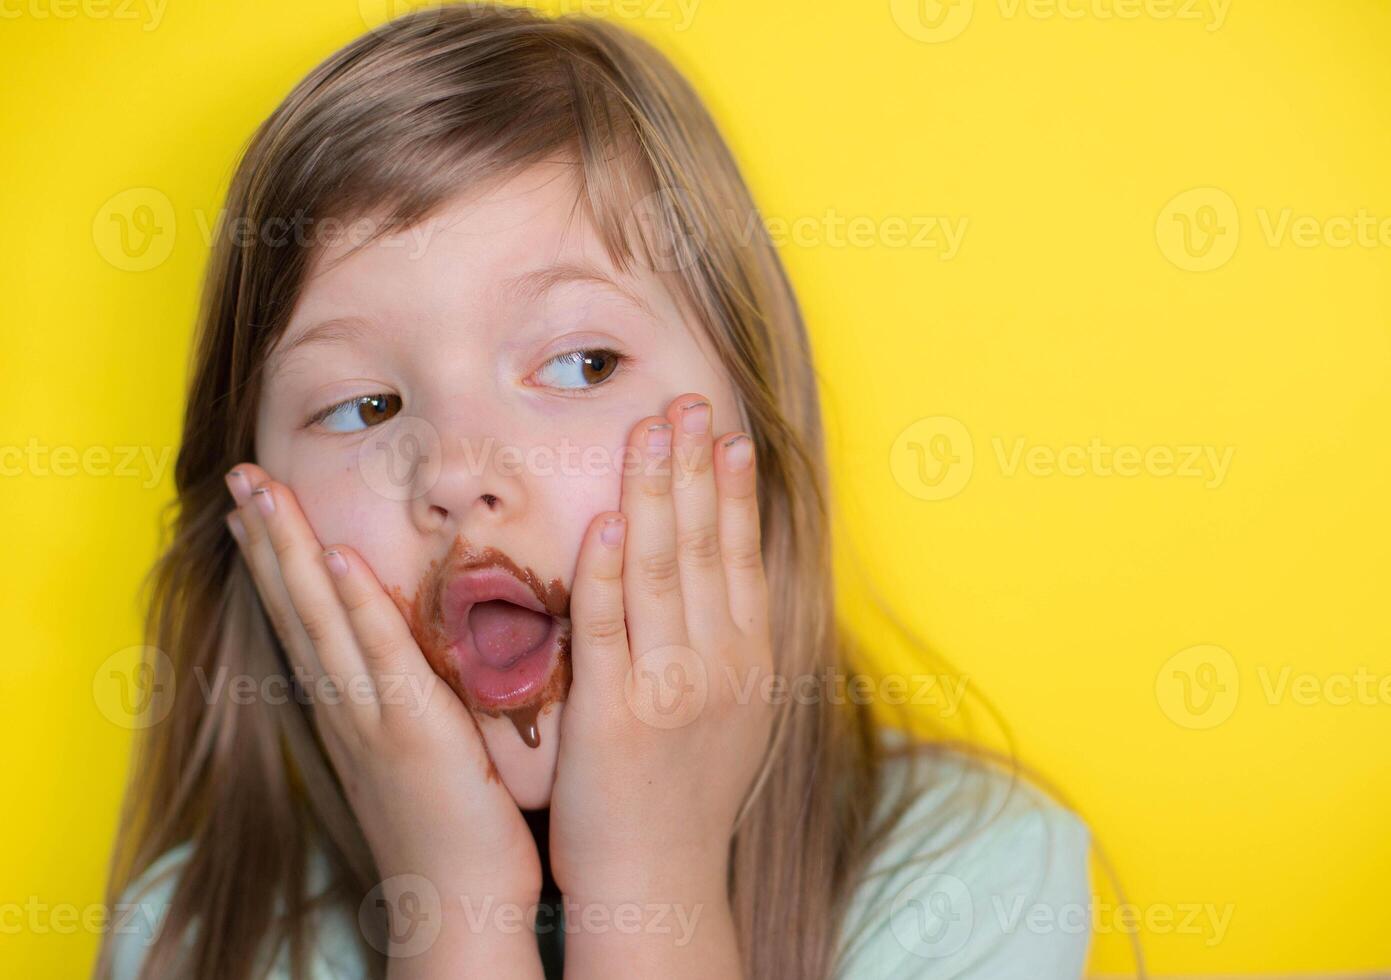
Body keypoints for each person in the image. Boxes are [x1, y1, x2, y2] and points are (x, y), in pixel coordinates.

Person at [97, 5, 1091, 977]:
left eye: (580, 364)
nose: (452, 471)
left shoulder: (978, 883)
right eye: (364, 406)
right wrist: (455, 913)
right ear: (255, 522)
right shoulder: (190, 940)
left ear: (758, 442)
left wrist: (652, 879)